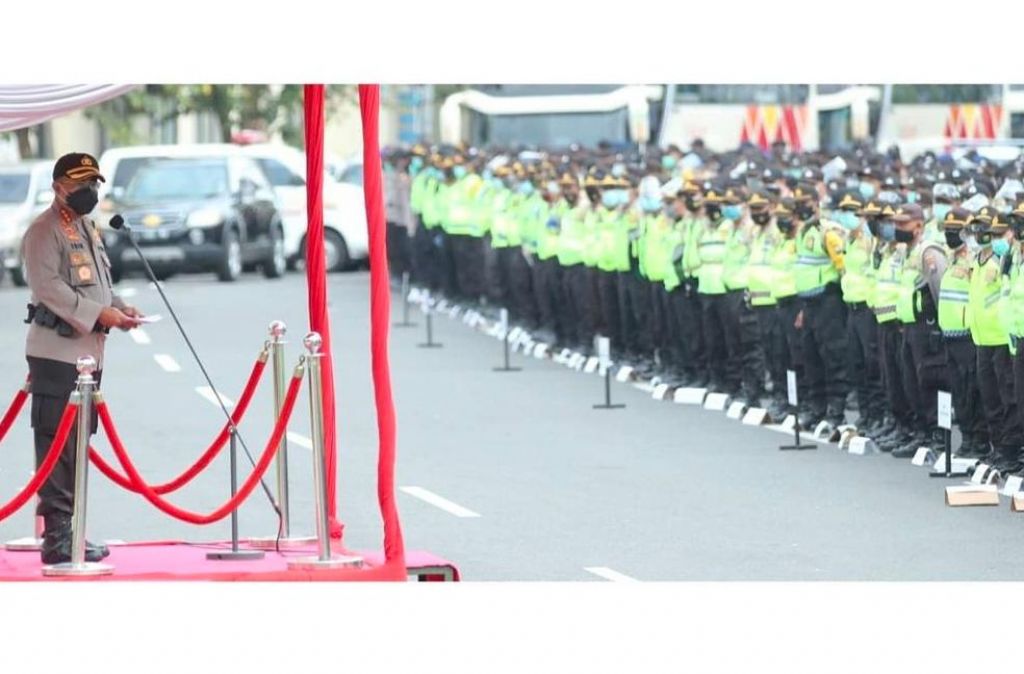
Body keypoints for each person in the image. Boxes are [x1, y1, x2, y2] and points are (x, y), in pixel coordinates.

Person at [21, 152, 144, 564]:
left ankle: (72, 532)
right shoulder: (44, 231)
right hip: (57, 355)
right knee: (57, 446)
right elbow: (49, 288)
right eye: (81, 185)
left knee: (76, 445)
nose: (90, 192)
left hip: (87, 356)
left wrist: (120, 308)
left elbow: (98, 286)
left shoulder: (87, 228)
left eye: (94, 184)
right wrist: (98, 315)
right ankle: (56, 539)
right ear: (59, 188)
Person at [890, 203, 949, 458]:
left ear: (918, 226)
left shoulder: (929, 252)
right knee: (911, 381)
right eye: (896, 223)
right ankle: (921, 433)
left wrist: (939, 326)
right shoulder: (907, 251)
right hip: (910, 326)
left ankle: (937, 436)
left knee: (929, 380)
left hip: (927, 327)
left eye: (903, 224)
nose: (897, 228)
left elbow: (939, 290)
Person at [792, 182, 850, 429]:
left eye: (805, 203)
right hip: (809, 303)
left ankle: (836, 411)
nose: (801, 208)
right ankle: (817, 408)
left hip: (828, 302)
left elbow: (842, 268)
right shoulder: (803, 231)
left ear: (816, 203)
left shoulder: (829, 232)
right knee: (810, 356)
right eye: (797, 204)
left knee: (832, 356)